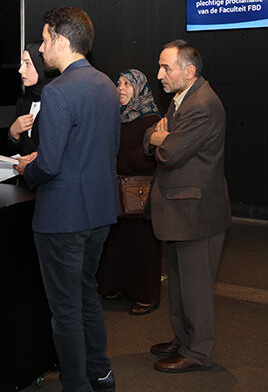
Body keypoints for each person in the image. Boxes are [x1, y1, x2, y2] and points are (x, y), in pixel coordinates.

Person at [13, 7, 121, 392]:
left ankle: (76, 385)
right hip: (101, 212)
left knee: (66, 310)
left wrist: (28, 169)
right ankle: (101, 374)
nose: (41, 50)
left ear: (60, 39)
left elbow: (51, 163)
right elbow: (106, 149)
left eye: (43, 40)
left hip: (63, 218)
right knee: (86, 295)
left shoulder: (58, 92)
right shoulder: (107, 85)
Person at [144, 39, 231, 373]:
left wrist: (160, 139)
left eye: (166, 67)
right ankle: (183, 340)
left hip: (196, 213)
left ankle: (198, 352)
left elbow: (169, 152)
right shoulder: (182, 99)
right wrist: (158, 136)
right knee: (180, 286)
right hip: (180, 212)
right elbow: (151, 136)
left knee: (195, 289)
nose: (159, 74)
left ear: (189, 70)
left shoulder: (202, 104)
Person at [96, 69, 163, 314]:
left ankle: (145, 295)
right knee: (115, 242)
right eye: (119, 83)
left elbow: (150, 157)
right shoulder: (116, 116)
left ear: (141, 89)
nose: (121, 88)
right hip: (114, 190)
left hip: (139, 193)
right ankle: (114, 286)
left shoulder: (151, 119)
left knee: (141, 246)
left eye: (128, 84)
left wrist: (113, 159)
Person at [7, 42, 54, 156]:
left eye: (27, 64)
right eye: (22, 63)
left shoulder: (56, 102)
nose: (20, 70)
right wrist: (13, 133)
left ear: (41, 65)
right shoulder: (24, 101)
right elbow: (19, 149)